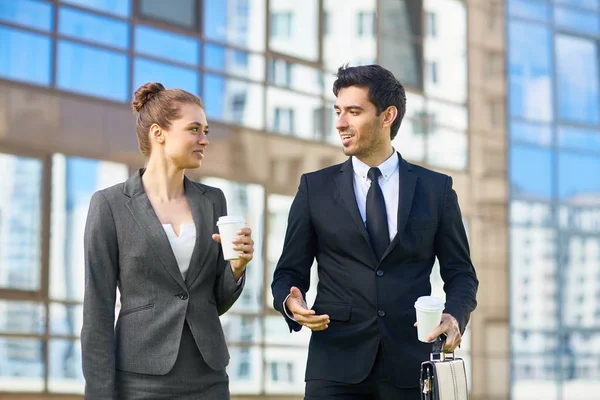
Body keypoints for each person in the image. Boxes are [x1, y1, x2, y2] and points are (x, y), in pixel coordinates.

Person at [271, 65, 478, 399]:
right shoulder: (314, 188)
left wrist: (454, 316)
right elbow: (288, 273)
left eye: (353, 112)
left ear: (387, 116)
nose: (340, 123)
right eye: (338, 111)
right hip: (335, 366)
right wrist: (290, 301)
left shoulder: (435, 189)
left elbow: (462, 274)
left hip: (413, 366)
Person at [81, 82, 254, 399]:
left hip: (209, 377)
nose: (204, 140)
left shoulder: (213, 201)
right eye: (194, 129)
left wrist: (237, 269)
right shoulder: (110, 205)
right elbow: (97, 311)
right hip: (140, 380)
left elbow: (214, 301)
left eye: (206, 130)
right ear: (158, 133)